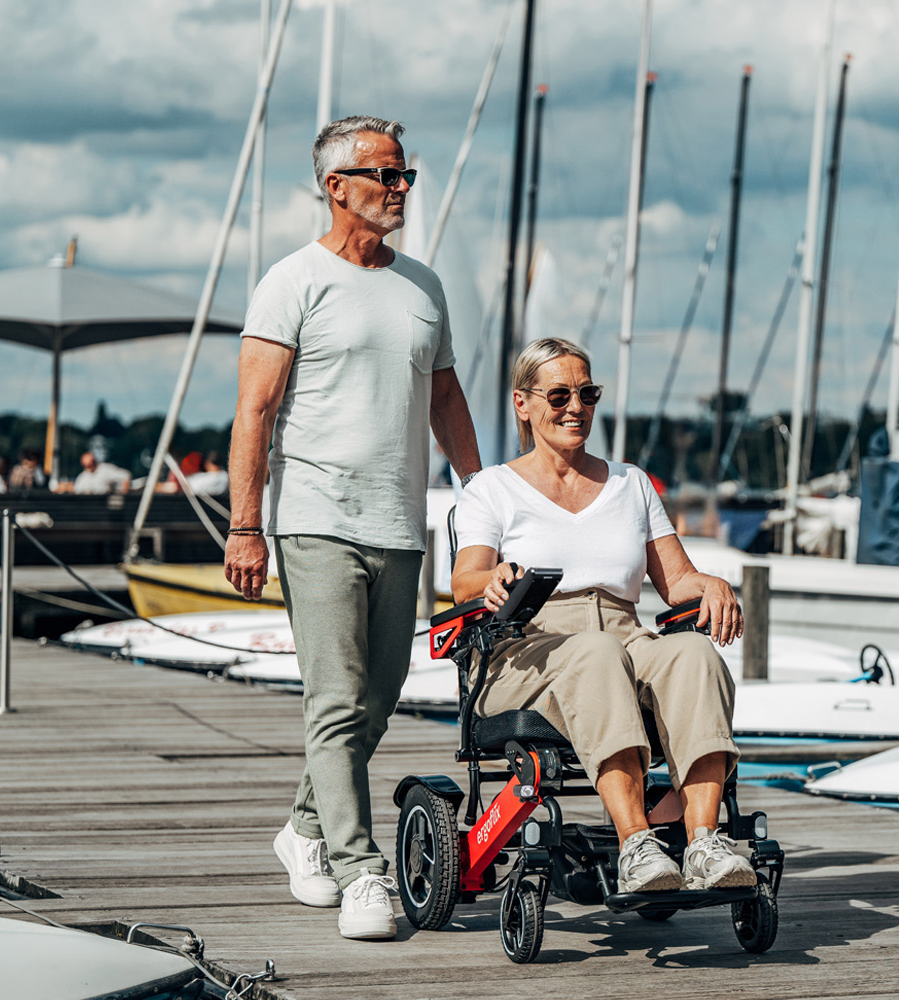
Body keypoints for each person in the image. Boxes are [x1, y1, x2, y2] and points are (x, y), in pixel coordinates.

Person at [224, 115, 481, 941]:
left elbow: (445, 398)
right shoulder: (290, 282)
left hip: (400, 521)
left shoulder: (423, 286)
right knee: (335, 700)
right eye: (386, 175)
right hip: (314, 520)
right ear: (337, 187)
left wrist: (482, 497)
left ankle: (302, 827)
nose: (401, 188)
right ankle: (358, 868)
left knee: (379, 697)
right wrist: (245, 526)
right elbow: (255, 412)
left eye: (407, 175)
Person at [450, 337, 755, 895]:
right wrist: (492, 579)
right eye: (560, 394)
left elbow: (676, 582)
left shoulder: (629, 483)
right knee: (597, 654)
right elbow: (464, 580)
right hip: (527, 645)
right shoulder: (493, 488)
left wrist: (710, 584)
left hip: (622, 630)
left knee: (690, 652)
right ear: (523, 403)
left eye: (587, 393)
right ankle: (637, 845)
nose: (576, 407)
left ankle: (703, 842)